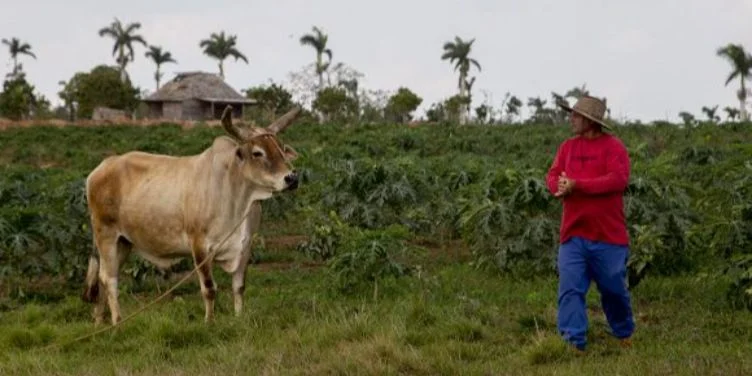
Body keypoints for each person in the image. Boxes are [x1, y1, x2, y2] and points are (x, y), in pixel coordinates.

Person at [546, 95, 635, 353]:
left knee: (613, 289)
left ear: (590, 121)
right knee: (570, 288)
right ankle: (573, 342)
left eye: (575, 115)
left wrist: (578, 185)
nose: (571, 119)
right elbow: (553, 175)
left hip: (609, 236)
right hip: (573, 234)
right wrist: (558, 186)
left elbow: (618, 180)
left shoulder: (614, 147)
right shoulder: (567, 147)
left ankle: (623, 330)